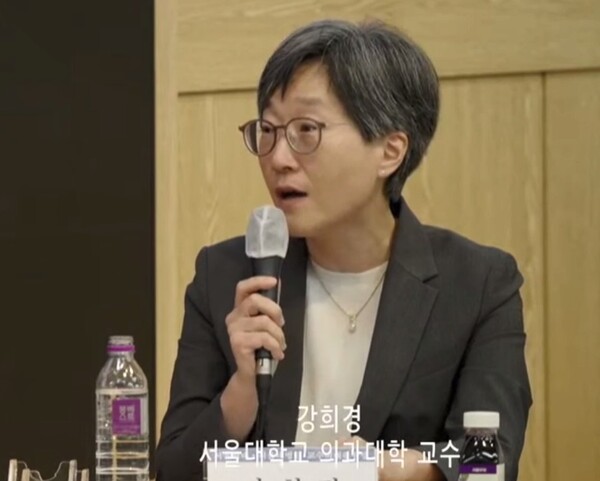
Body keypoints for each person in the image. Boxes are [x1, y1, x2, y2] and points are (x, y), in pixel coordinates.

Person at [156, 18, 532, 481]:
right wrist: (241, 391)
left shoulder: (477, 283)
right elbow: (171, 470)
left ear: (389, 151)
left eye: (306, 130)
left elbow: (491, 458)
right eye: (268, 131)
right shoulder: (227, 275)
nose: (278, 159)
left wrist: (387, 468)